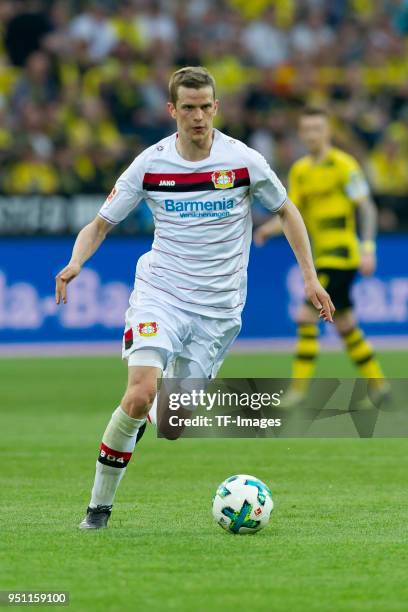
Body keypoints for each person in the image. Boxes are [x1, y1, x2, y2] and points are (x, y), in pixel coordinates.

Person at [55, 68, 334, 530]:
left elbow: (286, 211)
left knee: (172, 422)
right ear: (172, 111)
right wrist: (75, 261)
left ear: (216, 107)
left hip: (218, 311)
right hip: (160, 294)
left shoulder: (243, 161)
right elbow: (101, 223)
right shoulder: (151, 164)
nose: (198, 116)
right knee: (140, 393)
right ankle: (98, 510)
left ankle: (147, 414)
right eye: (188, 108)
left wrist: (310, 278)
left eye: (206, 106)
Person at [254, 106, 388, 406]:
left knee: (305, 316)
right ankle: (380, 387)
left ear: (328, 132)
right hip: (321, 255)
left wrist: (368, 248)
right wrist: (266, 230)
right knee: (346, 325)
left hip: (341, 256)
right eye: (307, 130)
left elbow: (366, 207)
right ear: (301, 134)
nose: (312, 135)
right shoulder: (301, 171)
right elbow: (291, 214)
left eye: (318, 128)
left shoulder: (344, 165)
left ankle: (299, 391)